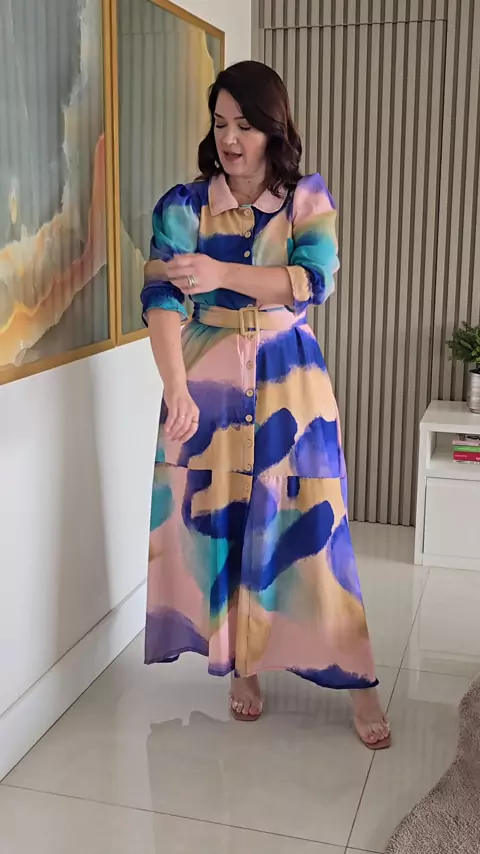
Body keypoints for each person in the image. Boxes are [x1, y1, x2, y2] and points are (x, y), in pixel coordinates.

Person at [141, 60, 391, 750]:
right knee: (224, 520)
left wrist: (221, 272)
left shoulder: (307, 199)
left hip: (291, 380)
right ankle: (242, 667)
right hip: (207, 382)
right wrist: (174, 387)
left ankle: (358, 679)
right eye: (221, 124)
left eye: (246, 125)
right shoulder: (183, 206)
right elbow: (161, 298)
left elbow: (313, 280)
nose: (230, 139)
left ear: (273, 129)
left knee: (315, 525)